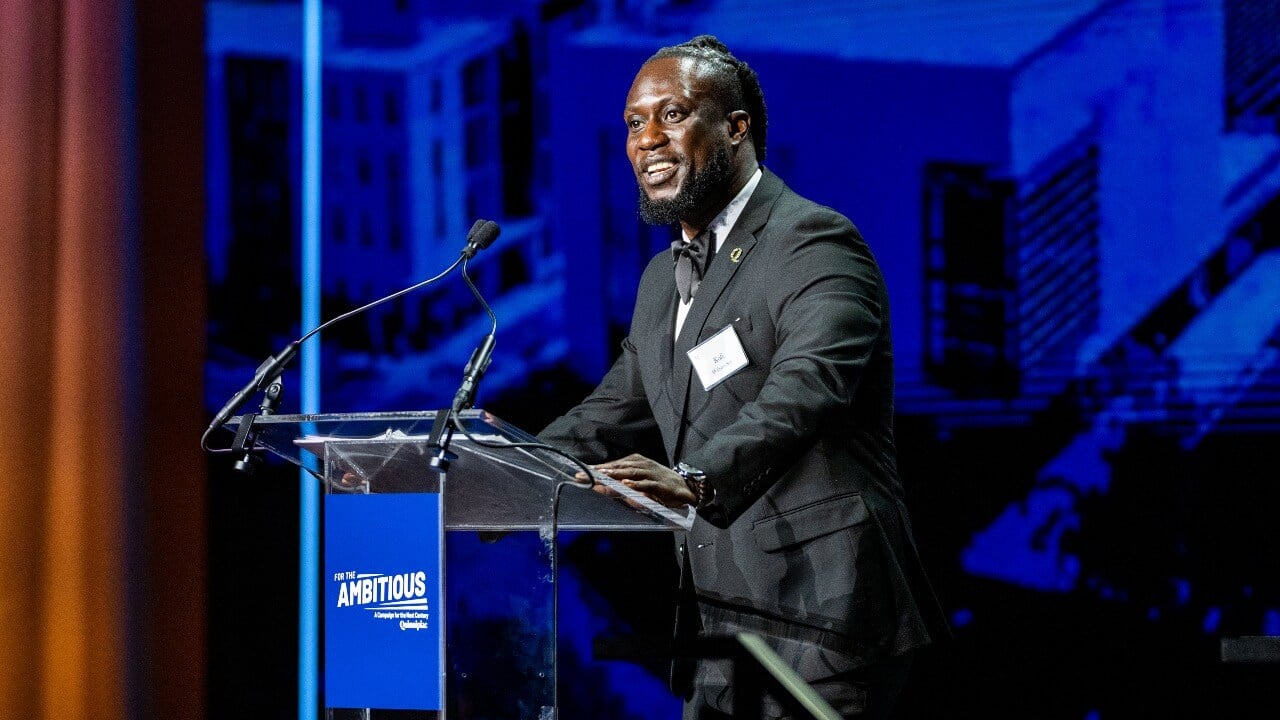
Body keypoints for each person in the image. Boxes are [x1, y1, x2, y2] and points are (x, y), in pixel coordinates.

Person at [538, 35, 947, 719]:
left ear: (735, 128)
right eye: (634, 123)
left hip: (825, 621)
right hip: (721, 634)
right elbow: (609, 411)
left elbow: (806, 388)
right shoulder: (659, 285)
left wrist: (694, 479)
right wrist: (474, 475)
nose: (646, 139)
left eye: (672, 114)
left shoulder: (814, 241)